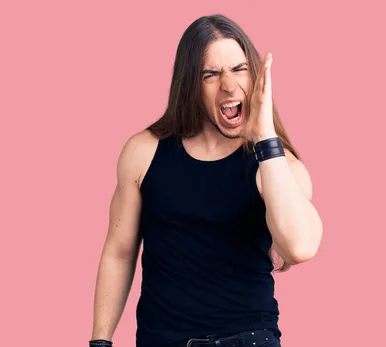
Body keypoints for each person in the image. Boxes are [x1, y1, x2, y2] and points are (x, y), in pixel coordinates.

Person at [89, 14, 323, 347]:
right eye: (211, 74)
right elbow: (119, 253)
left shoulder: (278, 165)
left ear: (256, 77)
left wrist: (265, 138)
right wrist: (100, 341)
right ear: (190, 85)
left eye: (239, 69)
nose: (228, 86)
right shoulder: (143, 152)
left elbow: (299, 247)